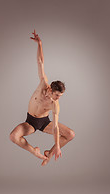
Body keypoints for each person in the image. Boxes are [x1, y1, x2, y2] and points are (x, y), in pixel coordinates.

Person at [10, 29, 75, 166]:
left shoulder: (55, 104)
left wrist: (57, 146)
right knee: (13, 136)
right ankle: (34, 151)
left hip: (44, 122)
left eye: (60, 96)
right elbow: (40, 62)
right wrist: (39, 44)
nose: (58, 98)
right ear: (51, 90)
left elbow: (56, 127)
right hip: (30, 122)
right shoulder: (43, 84)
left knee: (70, 134)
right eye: (57, 95)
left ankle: (49, 154)